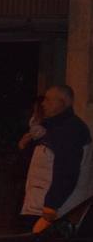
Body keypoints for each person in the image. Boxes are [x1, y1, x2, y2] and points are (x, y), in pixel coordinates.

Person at [19, 84, 92, 232]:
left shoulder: (70, 130)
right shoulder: (51, 128)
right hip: (40, 207)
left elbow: (67, 170)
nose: (43, 104)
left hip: (57, 212)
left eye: (48, 100)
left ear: (63, 102)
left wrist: (50, 209)